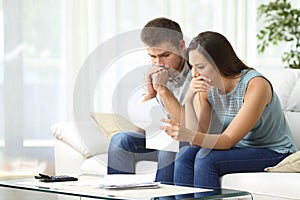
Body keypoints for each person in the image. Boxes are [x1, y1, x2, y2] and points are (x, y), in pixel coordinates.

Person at [160, 31, 297, 188]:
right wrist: (190, 98)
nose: (195, 74)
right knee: (185, 155)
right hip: (238, 149)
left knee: (206, 160)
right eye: (192, 67)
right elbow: (200, 137)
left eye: (201, 67)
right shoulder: (205, 86)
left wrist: (188, 134)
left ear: (220, 62)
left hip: (274, 151)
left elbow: (228, 140)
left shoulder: (255, 85)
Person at [107, 17, 192, 184]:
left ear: (182, 47)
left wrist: (162, 89)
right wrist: (150, 94)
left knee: (170, 145)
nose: (159, 63)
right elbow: (139, 130)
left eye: (165, 55)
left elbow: (188, 127)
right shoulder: (154, 73)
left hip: (189, 140)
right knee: (120, 140)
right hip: (163, 140)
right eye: (152, 56)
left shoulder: (198, 71)